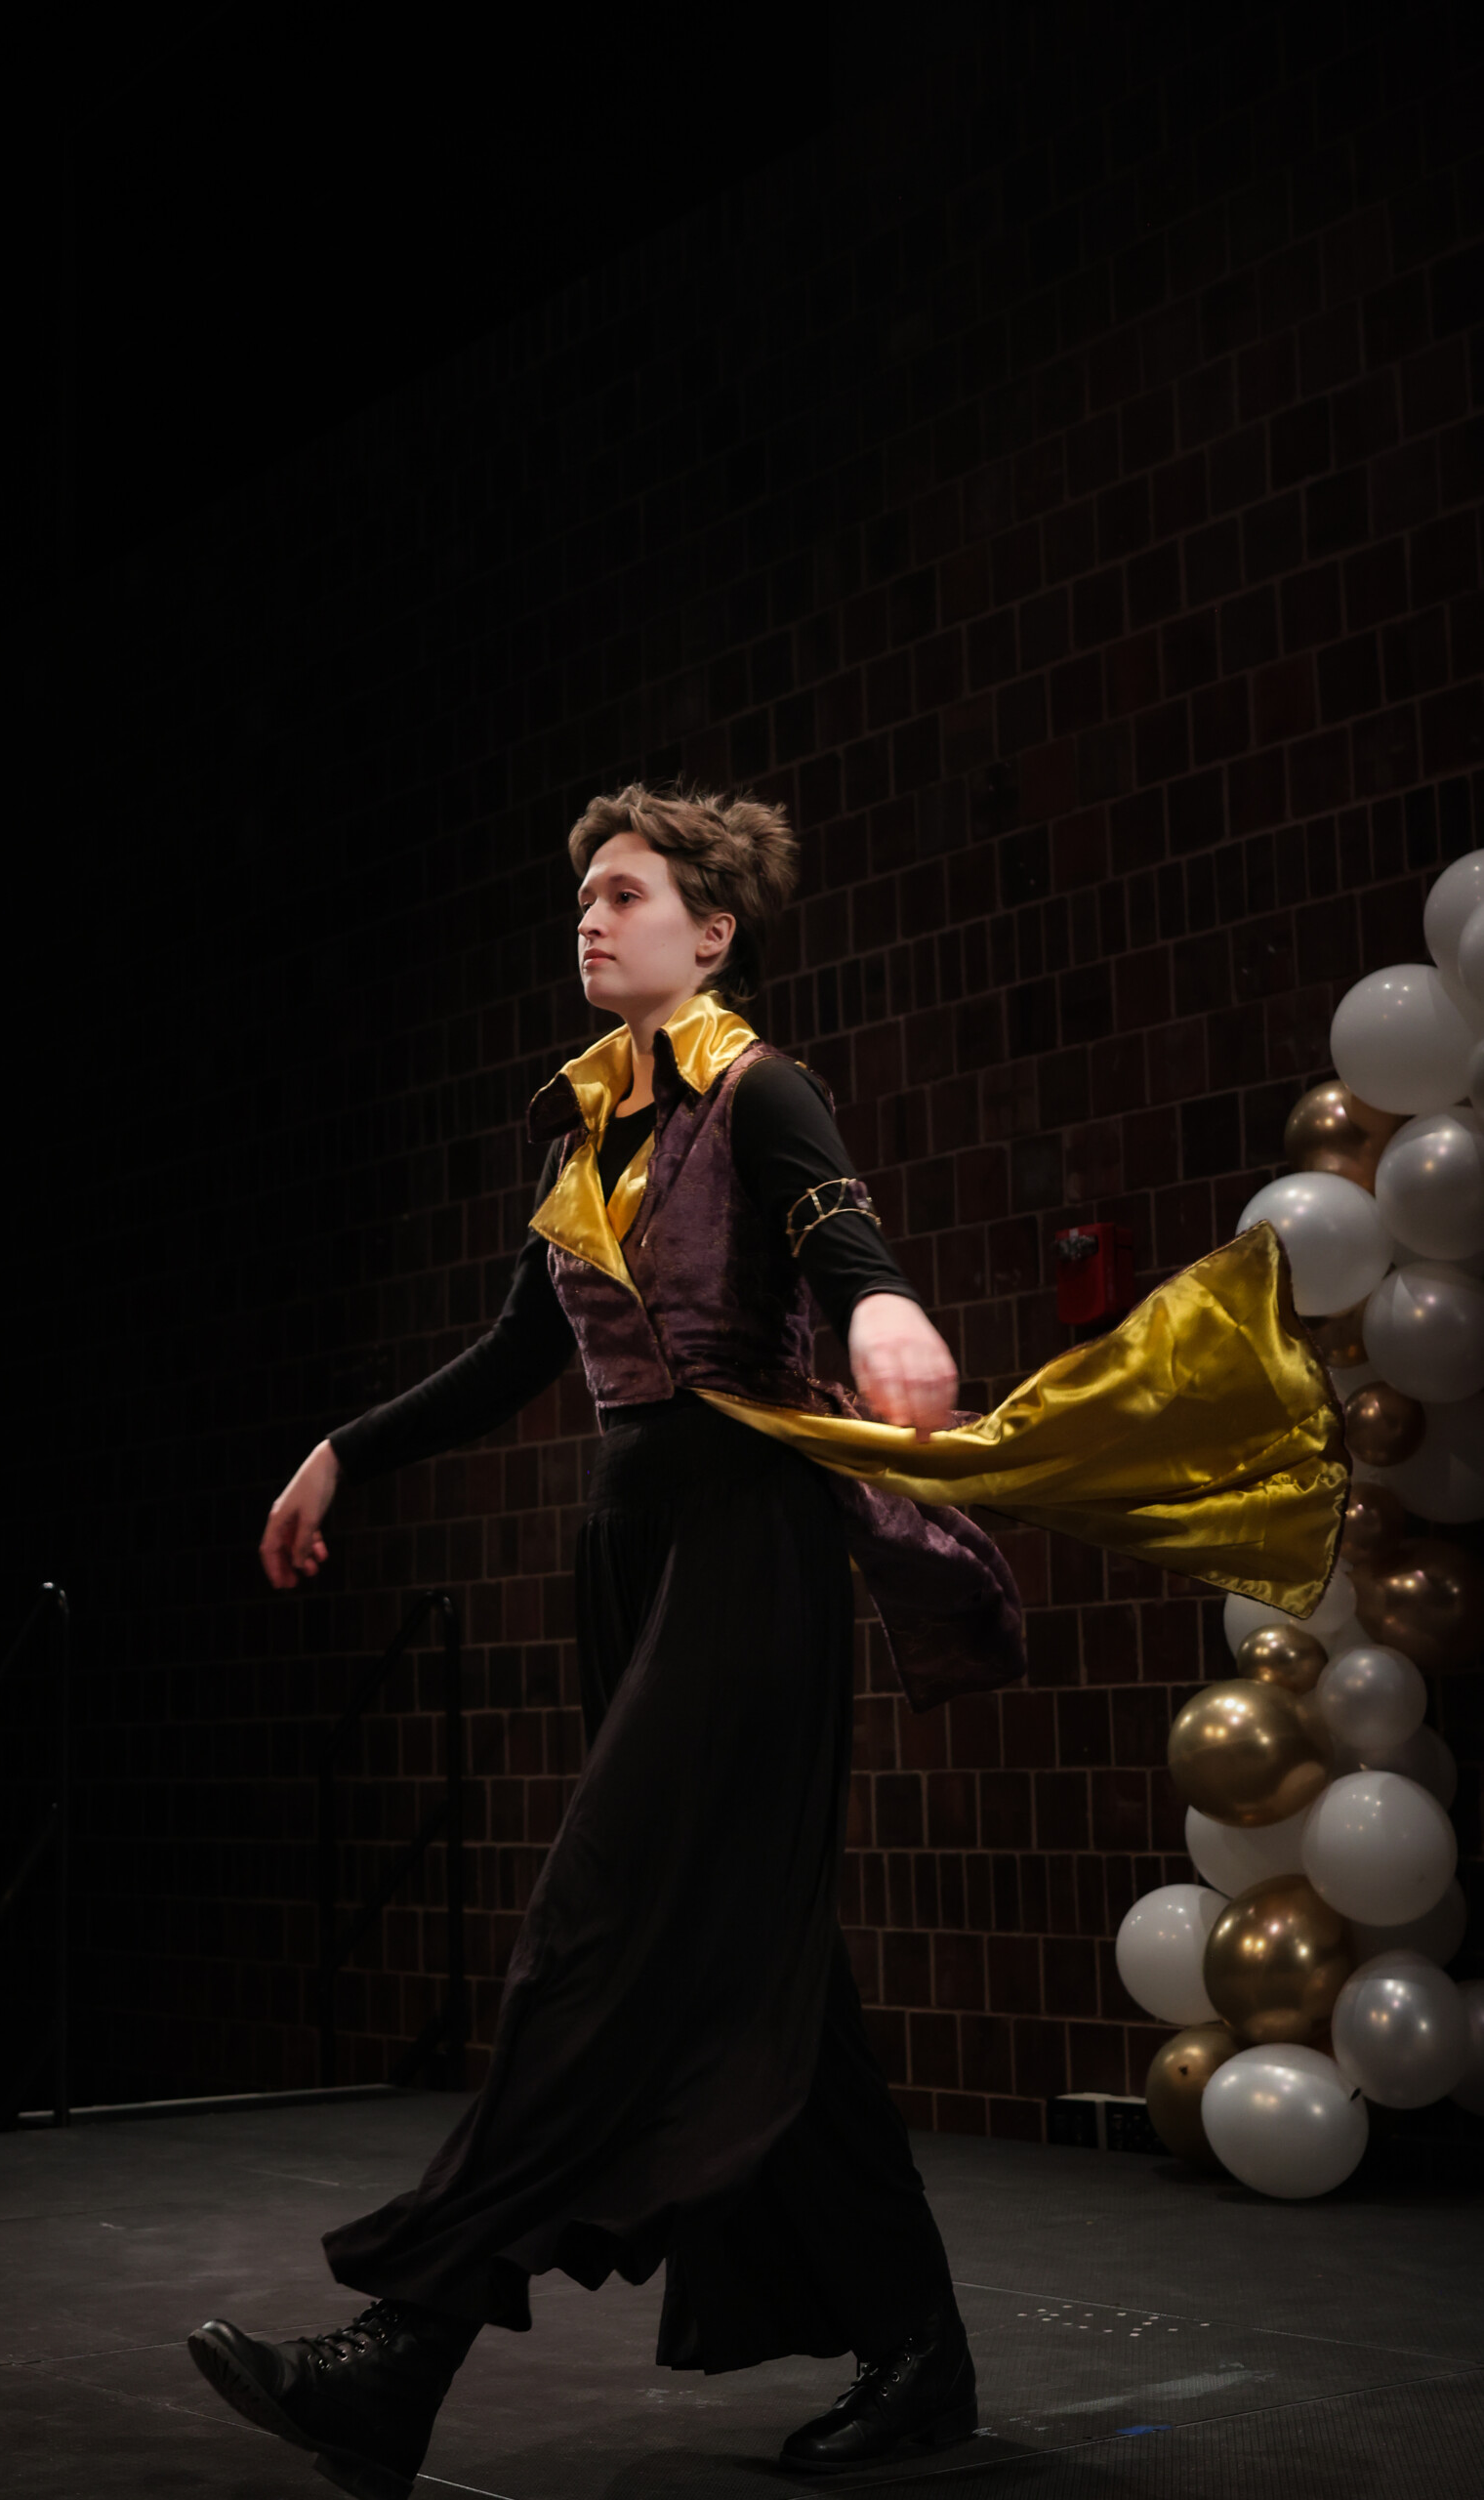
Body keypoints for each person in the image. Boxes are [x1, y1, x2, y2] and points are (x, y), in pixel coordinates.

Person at [186, 783, 1032, 2499]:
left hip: (748, 1548)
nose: (591, 916)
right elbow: (520, 1351)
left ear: (709, 934)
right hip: (634, 1555)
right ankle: (919, 2353)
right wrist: (344, 1449)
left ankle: (404, 2348)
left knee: (598, 1940)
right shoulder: (588, 1134)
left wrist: (885, 1307)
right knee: (760, 1972)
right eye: (583, 897)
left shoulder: (760, 1088)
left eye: (626, 894)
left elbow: (840, 1234)